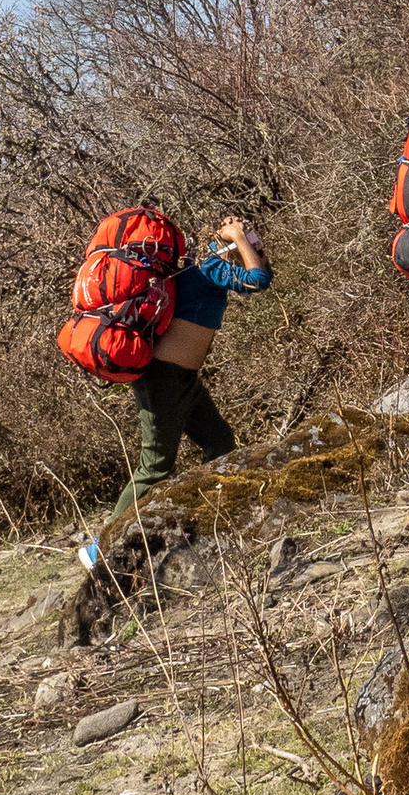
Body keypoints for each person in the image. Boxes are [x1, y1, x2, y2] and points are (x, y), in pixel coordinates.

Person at [79, 213, 271, 564]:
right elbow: (258, 281)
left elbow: (260, 272)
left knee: (220, 444)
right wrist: (241, 239)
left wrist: (250, 244)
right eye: (237, 236)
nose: (246, 238)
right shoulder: (209, 268)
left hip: (183, 379)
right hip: (162, 380)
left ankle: (220, 521)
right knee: (154, 467)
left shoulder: (203, 268)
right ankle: (100, 549)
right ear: (220, 243)